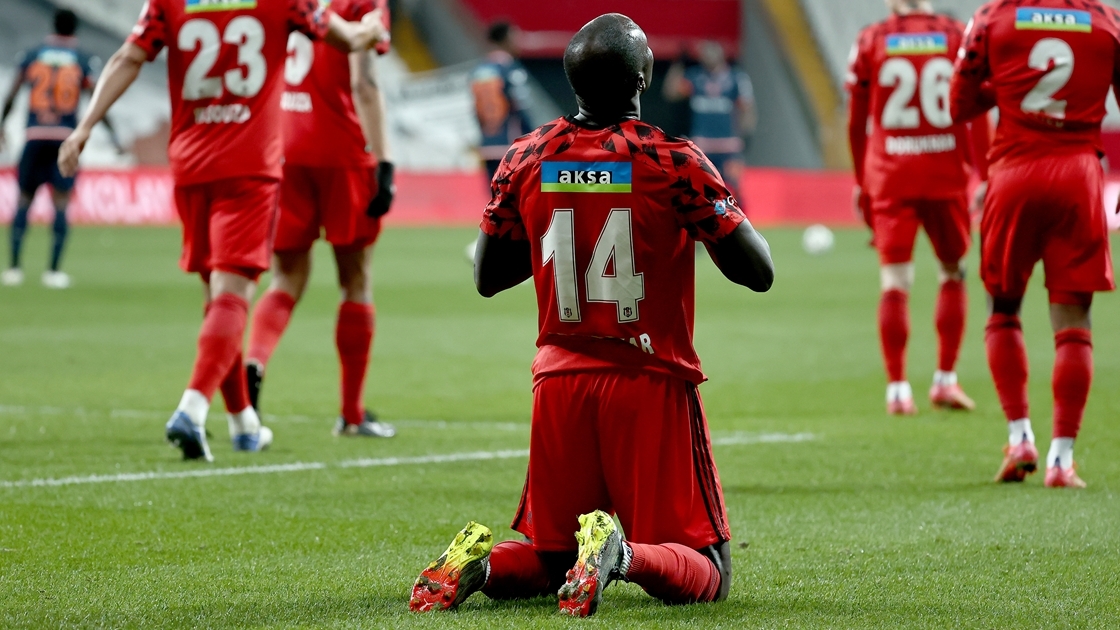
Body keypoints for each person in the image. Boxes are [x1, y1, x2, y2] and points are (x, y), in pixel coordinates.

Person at [408, 14, 774, 617]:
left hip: (559, 384)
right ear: (644, 74)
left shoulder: (527, 157)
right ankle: (621, 556)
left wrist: (566, 218)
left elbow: (489, 277)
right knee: (711, 569)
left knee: (552, 557)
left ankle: (478, 563)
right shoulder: (672, 160)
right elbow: (756, 272)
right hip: (648, 381)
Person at [57, 0, 389, 462]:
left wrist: (83, 129)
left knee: (220, 300)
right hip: (251, 166)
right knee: (233, 295)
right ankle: (192, 408)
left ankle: (243, 423)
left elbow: (128, 57)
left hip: (191, 164)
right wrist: (369, 28)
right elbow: (351, 43)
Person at [950, 0, 1119, 488]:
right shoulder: (1107, 21)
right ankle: (1062, 460)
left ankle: (1019, 435)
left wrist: (1007, 87)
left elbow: (959, 104)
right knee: (1074, 320)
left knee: (1003, 308)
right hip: (1080, 177)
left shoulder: (993, 16)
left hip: (1015, 173)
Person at [245, 0, 396, 438]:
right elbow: (364, 83)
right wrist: (385, 162)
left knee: (285, 276)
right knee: (355, 278)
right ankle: (351, 414)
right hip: (343, 151)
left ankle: (254, 361)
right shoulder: (362, 4)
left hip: (285, 145)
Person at [846, 0, 991, 416]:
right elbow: (976, 112)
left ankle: (897, 390)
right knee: (953, 270)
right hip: (945, 173)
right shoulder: (954, 35)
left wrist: (862, 181)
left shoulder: (872, 39)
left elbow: (856, 124)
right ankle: (945, 380)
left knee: (895, 280)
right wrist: (982, 172)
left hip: (890, 176)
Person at [0, 9, 119, 289]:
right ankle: (53, 272)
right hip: (65, 138)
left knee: (24, 200)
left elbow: (14, 92)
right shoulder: (81, 60)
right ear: (74, 30)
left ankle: (14, 269)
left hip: (35, 134)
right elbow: (96, 98)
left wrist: (2, 123)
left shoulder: (33, 55)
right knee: (61, 202)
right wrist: (112, 135)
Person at [663, 40, 756, 196]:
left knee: (734, 190)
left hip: (729, 146)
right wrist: (678, 64)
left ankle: (739, 220)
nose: (709, 56)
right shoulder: (695, 76)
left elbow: (746, 108)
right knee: (698, 189)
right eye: (706, 52)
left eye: (713, 51)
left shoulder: (736, 78)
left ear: (722, 55)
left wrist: (747, 134)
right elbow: (671, 93)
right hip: (702, 145)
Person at [470, 20, 533, 182]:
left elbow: (475, 110)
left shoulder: (479, 70)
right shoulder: (511, 69)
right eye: (515, 37)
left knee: (495, 198)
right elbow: (521, 106)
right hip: (511, 145)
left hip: (487, 144)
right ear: (506, 39)